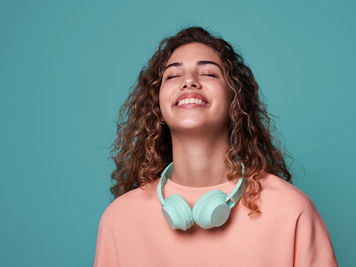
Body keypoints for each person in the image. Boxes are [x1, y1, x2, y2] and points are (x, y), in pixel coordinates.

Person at [93, 26, 338, 267]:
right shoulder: (118, 220)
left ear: (235, 101)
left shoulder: (292, 211)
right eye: (173, 75)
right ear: (158, 109)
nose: (189, 81)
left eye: (209, 73)